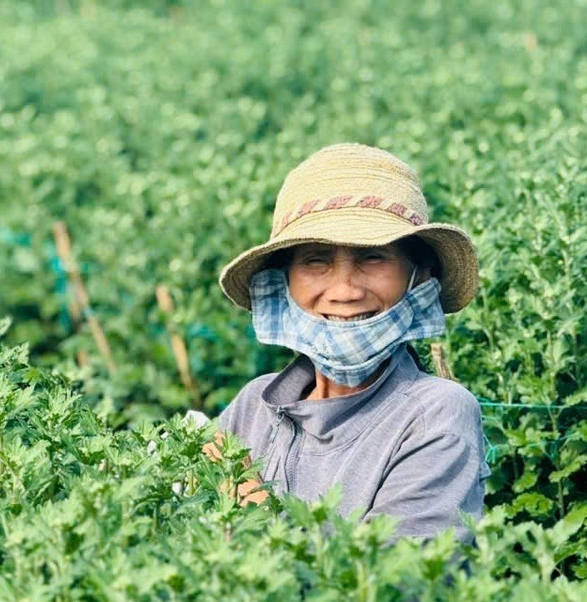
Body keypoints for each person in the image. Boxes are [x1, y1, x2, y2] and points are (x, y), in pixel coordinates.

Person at [209, 143, 489, 542]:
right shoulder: (254, 406)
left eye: (373, 257)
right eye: (315, 260)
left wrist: (249, 503)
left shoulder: (436, 415)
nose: (344, 290)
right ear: (282, 282)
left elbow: (398, 590)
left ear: (419, 278)